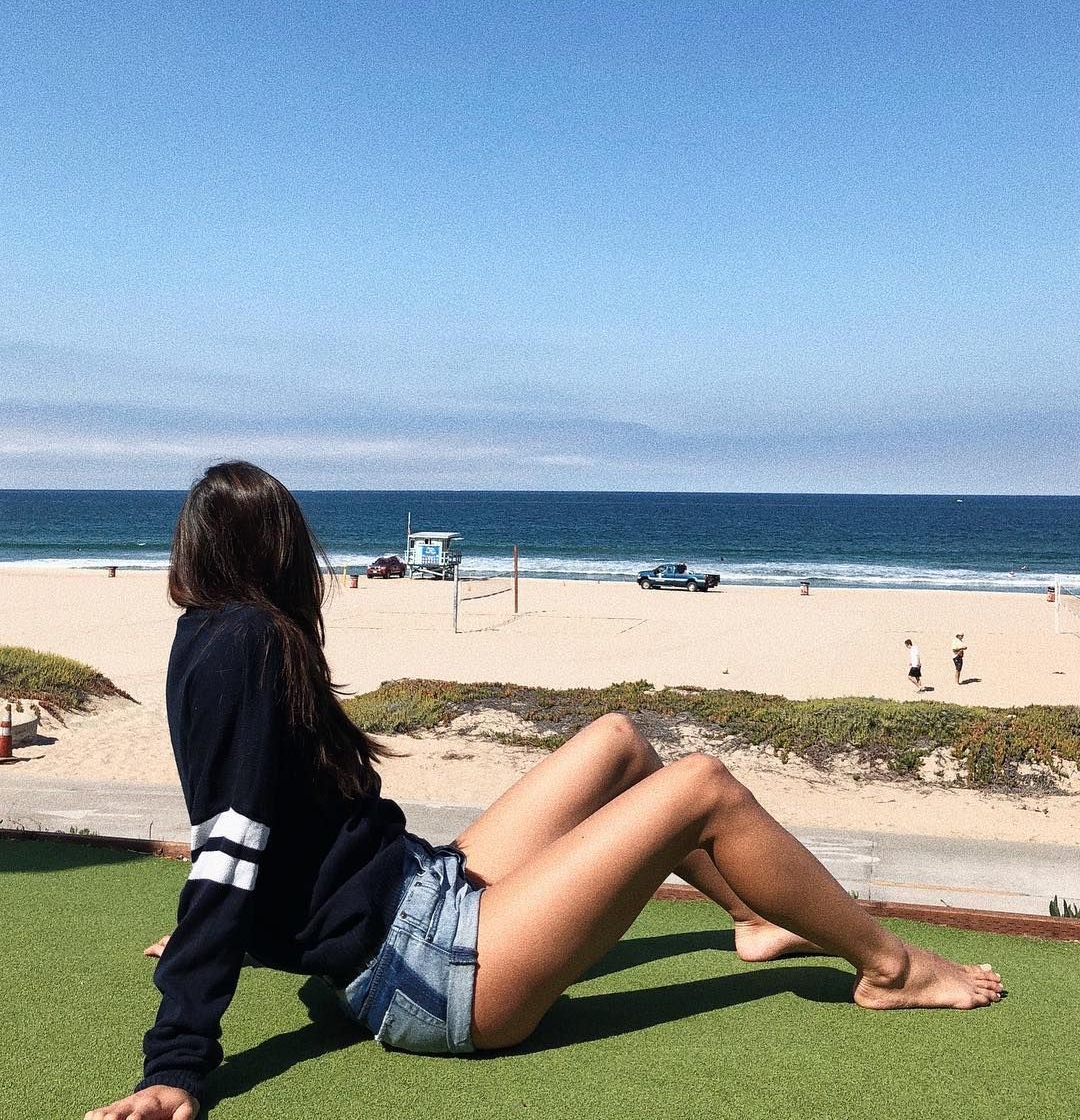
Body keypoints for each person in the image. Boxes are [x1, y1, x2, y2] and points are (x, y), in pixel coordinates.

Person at [86, 462, 1002, 1120]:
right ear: (284, 552)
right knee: (703, 788)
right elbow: (231, 839)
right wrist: (177, 1061)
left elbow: (270, 829)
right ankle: (891, 970)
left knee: (618, 742)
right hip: (428, 974)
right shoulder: (246, 642)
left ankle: (754, 919)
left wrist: (233, 931)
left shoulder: (215, 638)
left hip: (422, 891)